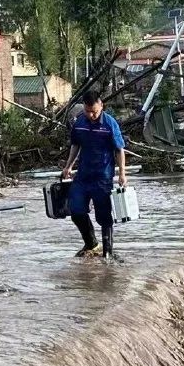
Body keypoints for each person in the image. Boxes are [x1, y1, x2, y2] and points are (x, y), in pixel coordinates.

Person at [61, 91, 127, 259]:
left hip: (102, 177)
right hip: (82, 176)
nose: (91, 115)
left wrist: (122, 174)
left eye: (94, 112)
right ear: (83, 107)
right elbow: (75, 146)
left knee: (104, 216)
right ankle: (91, 243)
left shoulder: (110, 124)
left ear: (101, 105)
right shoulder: (79, 123)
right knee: (76, 211)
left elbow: (119, 150)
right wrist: (68, 167)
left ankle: (107, 253)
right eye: (88, 111)